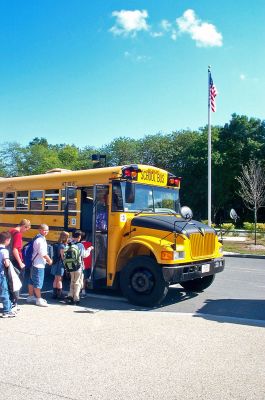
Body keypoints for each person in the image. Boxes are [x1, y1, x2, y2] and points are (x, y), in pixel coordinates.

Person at [27, 224, 52, 307]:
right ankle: (38, 299)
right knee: (38, 282)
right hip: (38, 264)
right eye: (44, 230)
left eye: (47, 230)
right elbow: (43, 253)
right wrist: (49, 260)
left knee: (32, 280)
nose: (46, 232)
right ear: (40, 230)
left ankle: (30, 296)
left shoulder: (37, 238)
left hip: (34, 262)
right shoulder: (40, 240)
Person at [8, 219, 31, 311]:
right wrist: (20, 262)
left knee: (10, 281)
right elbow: (15, 249)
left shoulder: (10, 231)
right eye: (26, 229)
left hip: (9, 260)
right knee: (17, 282)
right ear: (24, 226)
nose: (25, 231)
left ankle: (10, 302)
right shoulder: (17, 234)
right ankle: (14, 303)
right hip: (16, 261)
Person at [66, 230, 93, 305]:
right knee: (77, 282)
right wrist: (89, 249)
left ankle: (70, 295)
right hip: (78, 266)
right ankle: (76, 298)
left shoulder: (70, 243)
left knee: (72, 280)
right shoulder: (80, 245)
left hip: (70, 265)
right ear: (79, 237)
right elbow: (84, 255)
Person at [0, 231, 16, 318]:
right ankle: (7, 310)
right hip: (1, 274)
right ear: (7, 240)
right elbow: (6, 263)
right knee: (4, 292)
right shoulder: (4, 251)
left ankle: (9, 307)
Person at [51, 231, 69, 299]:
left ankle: (54, 294)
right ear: (65, 237)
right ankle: (60, 294)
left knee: (56, 279)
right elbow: (63, 257)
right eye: (68, 237)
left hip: (55, 263)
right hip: (59, 264)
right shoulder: (62, 245)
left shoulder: (57, 244)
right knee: (59, 279)